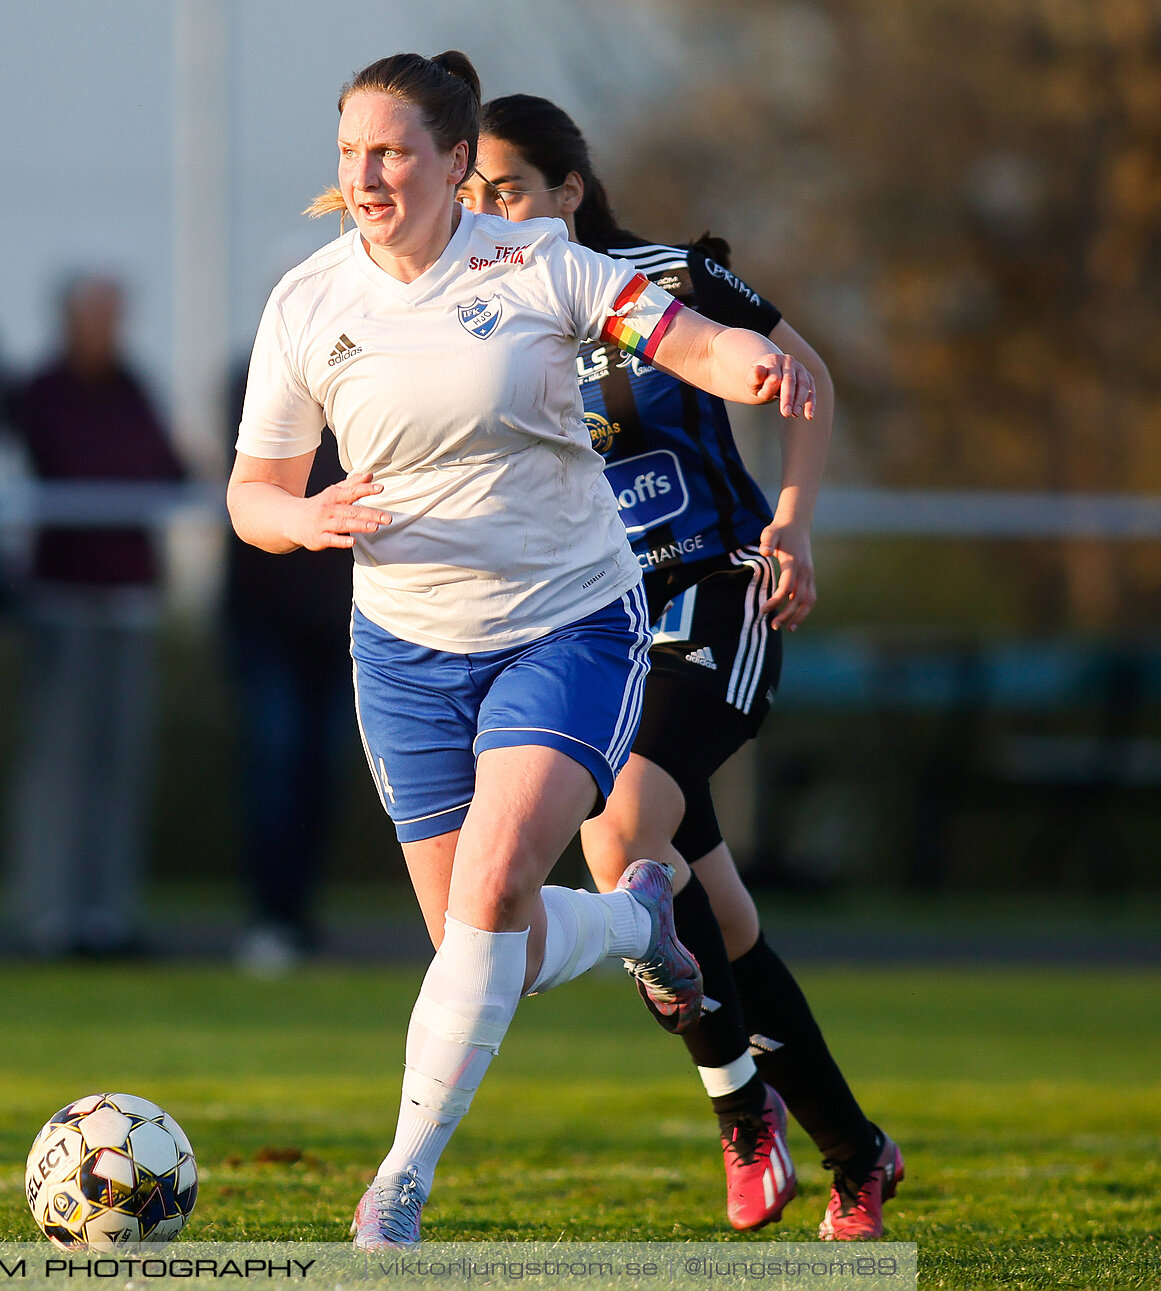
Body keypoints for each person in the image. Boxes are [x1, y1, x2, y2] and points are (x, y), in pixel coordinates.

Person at [230, 51, 816, 1249]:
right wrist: (307, 520)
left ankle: (399, 1181)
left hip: (566, 626)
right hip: (403, 653)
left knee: (500, 890)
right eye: (349, 153)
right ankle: (640, 924)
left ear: (455, 163)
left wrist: (740, 362)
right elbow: (253, 492)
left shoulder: (537, 261)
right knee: (475, 946)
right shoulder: (306, 304)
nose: (365, 175)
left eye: (389, 152)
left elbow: (677, 335)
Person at [459, 94, 902, 1241]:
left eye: (504, 188)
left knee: (618, 834)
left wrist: (794, 524)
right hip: (603, 625)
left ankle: (739, 1109)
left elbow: (804, 376)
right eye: (471, 194)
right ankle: (854, 1153)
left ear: (568, 189)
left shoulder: (664, 273)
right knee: (720, 914)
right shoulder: (491, 309)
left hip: (717, 589)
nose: (485, 212)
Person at [2, 274, 184, 958]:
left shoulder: (135, 388)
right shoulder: (41, 390)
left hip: (128, 602)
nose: (109, 327)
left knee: (118, 762)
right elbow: (67, 465)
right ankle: (49, 912)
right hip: (62, 601)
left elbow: (164, 468)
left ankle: (106, 914)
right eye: (97, 314)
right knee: (58, 763)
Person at [223, 358, 356, 976]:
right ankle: (272, 915)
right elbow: (247, 505)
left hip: (345, 621)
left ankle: (298, 915)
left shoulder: (376, 378)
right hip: (271, 619)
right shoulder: (255, 386)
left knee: (319, 772)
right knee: (277, 763)